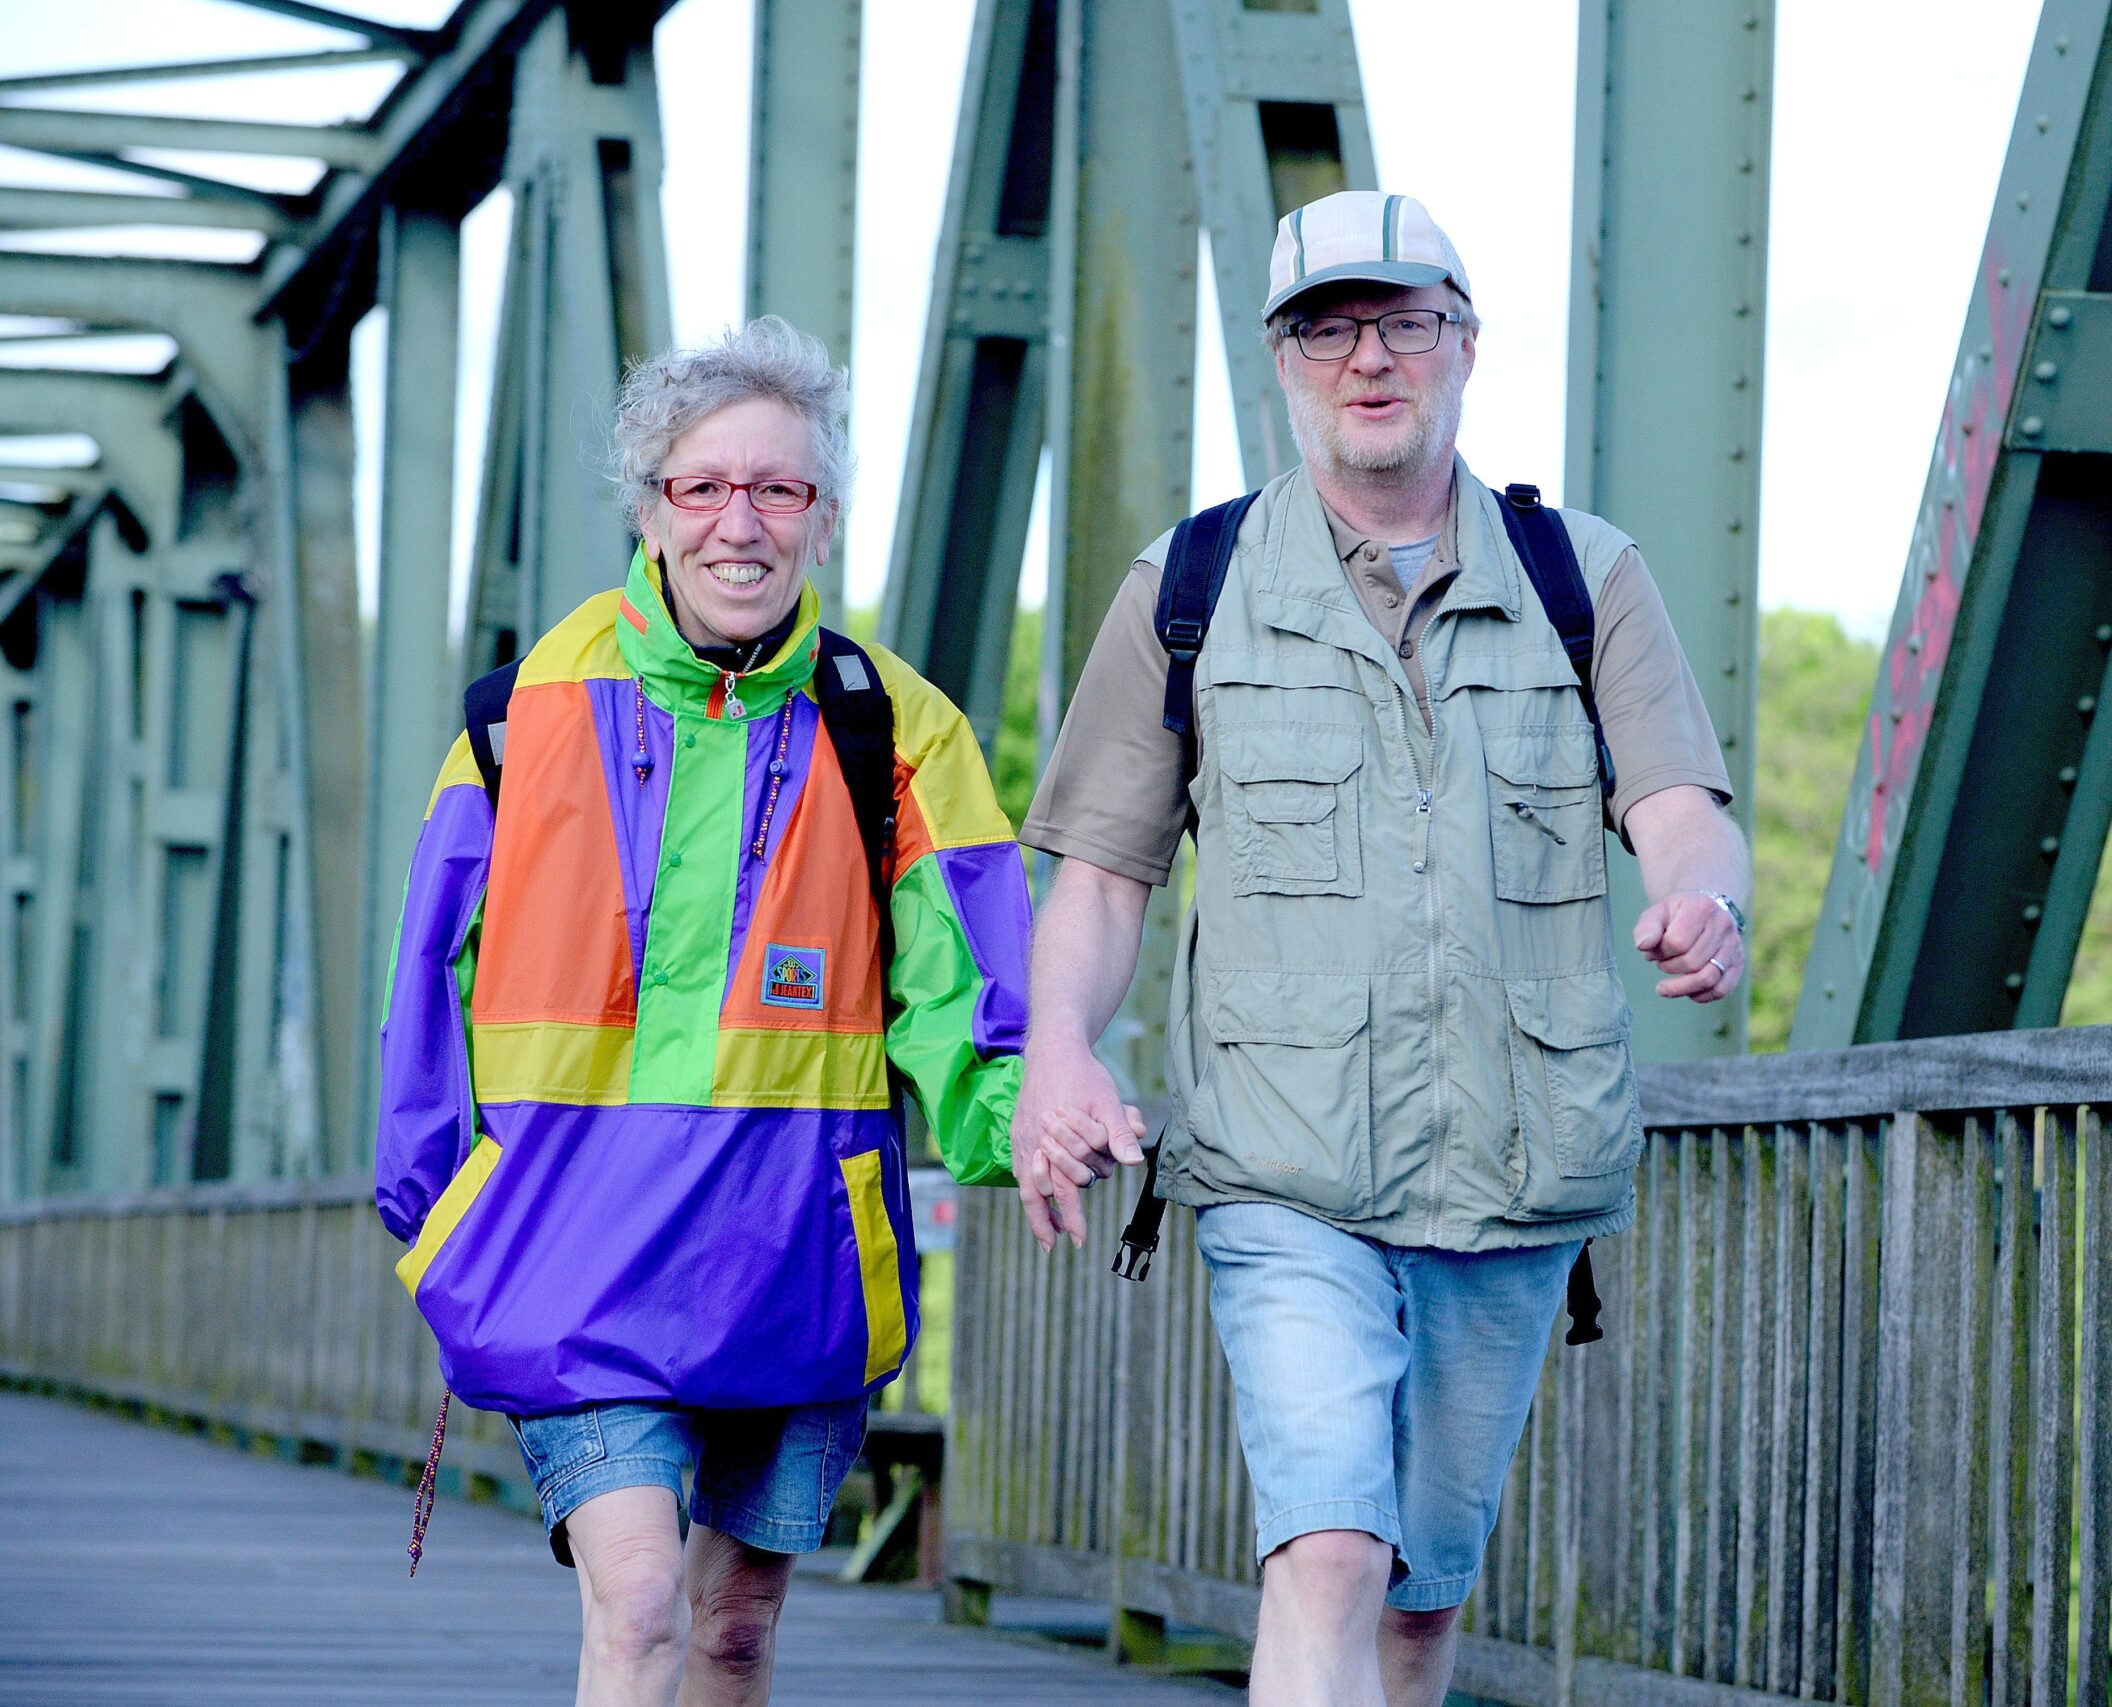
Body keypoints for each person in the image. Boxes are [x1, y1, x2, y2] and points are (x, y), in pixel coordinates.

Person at [1012, 190, 1751, 1707]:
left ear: (1464, 344)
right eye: (1326, 328)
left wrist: (1702, 895)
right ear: (1281, 360)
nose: (1368, 359)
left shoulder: (1582, 576)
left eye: (1403, 322)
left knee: (1420, 1595)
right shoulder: (1190, 590)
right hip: (1283, 1168)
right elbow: (1099, 875)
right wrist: (1059, 1052)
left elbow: (1681, 800)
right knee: (1330, 1553)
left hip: (1520, 1165)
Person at [376, 317, 1028, 1707]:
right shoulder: (521, 718)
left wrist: (1020, 1126)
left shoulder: (896, 731)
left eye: (779, 489)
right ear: (651, 510)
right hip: (575, 1257)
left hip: (788, 1260)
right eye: (703, 487)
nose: (742, 522)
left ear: (827, 517)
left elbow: (966, 979)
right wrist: (437, 1216)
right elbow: (422, 987)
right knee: (642, 1608)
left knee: (734, 1631)